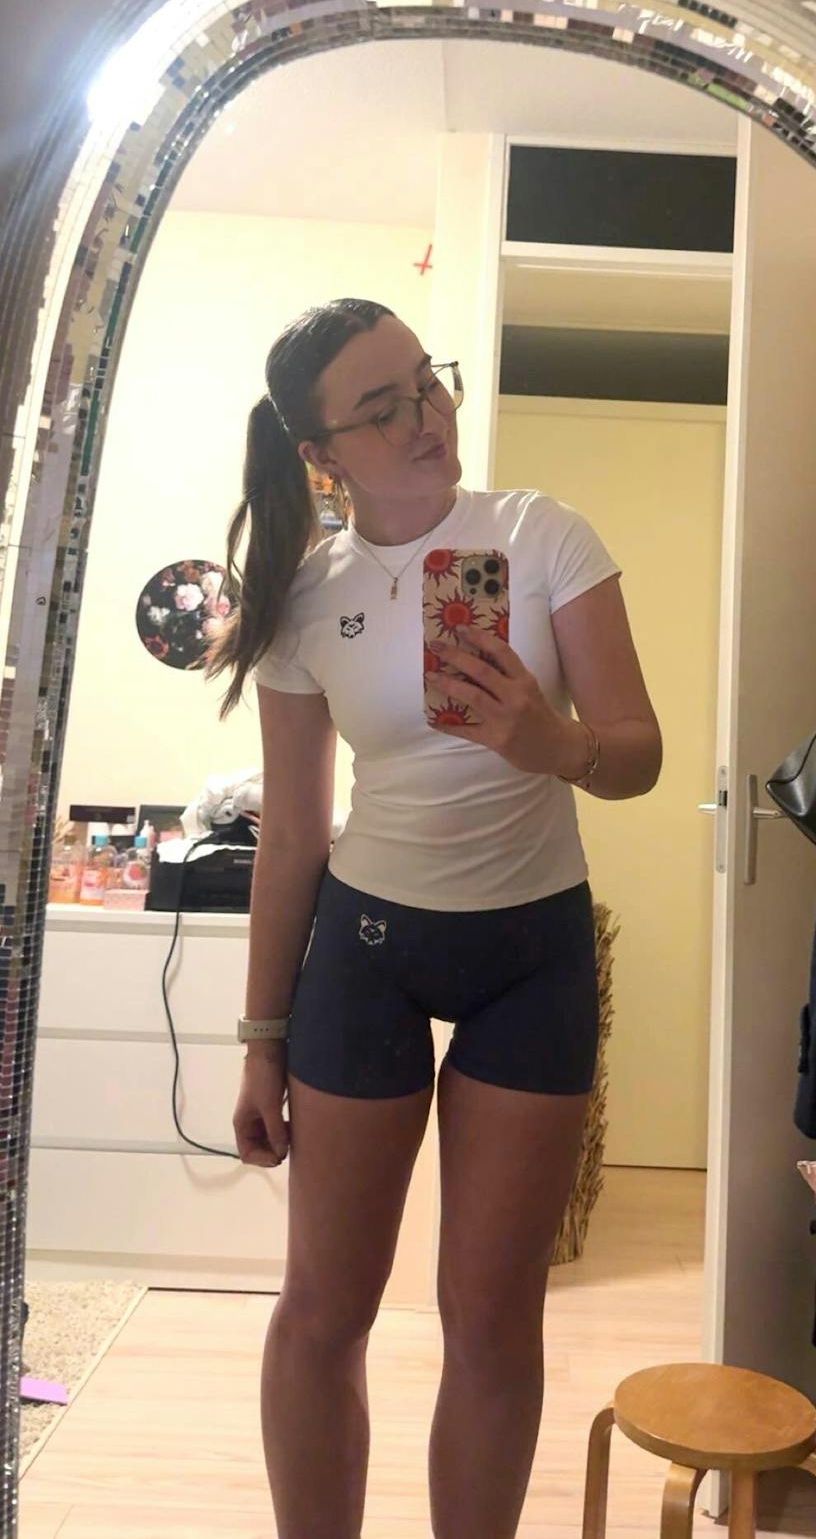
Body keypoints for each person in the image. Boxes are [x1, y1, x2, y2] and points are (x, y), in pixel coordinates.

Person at [206, 296, 662, 1539]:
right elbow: (292, 833)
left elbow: (637, 753)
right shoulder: (305, 598)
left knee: (494, 1314)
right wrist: (258, 1039)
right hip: (366, 953)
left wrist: (553, 742)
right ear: (321, 453)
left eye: (427, 380)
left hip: (533, 954)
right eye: (383, 407)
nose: (426, 416)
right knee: (324, 1308)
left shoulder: (543, 535)